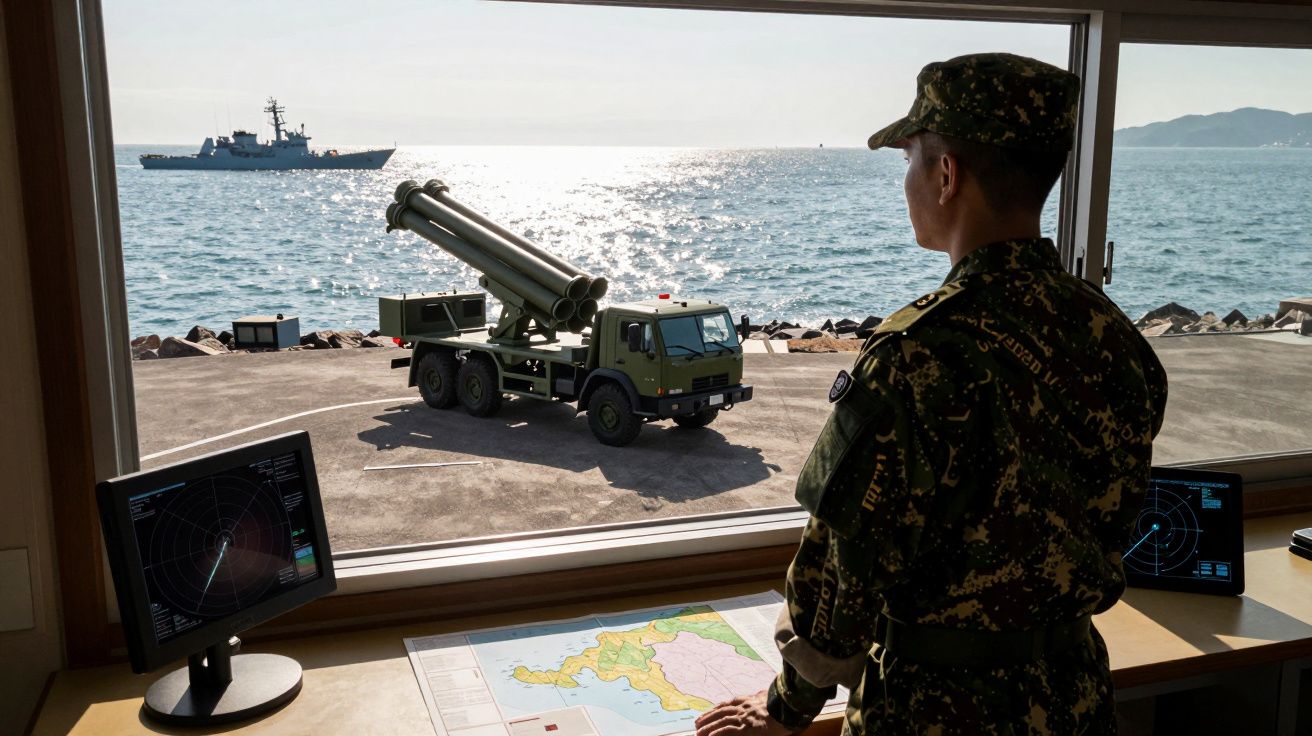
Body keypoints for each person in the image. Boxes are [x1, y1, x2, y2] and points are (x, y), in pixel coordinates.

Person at [693, 53, 1169, 735]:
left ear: (947, 175)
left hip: (935, 711)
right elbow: (1114, 523)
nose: (907, 182)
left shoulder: (916, 355)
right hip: (1075, 699)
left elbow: (839, 576)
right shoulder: (1116, 340)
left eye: (910, 159)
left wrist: (785, 708)